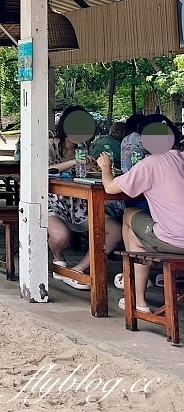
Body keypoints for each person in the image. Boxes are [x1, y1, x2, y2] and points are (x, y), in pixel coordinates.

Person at [95, 128, 184, 313]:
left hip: (176, 240)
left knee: (129, 216)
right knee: (135, 233)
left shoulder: (151, 163)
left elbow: (110, 188)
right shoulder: (181, 157)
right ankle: (135, 292)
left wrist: (105, 167)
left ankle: (137, 298)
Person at [47, 106, 124, 289]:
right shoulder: (49, 145)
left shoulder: (84, 148)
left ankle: (78, 271)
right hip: (51, 203)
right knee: (60, 237)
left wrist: (91, 168)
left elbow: (85, 173)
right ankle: (59, 259)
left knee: (116, 230)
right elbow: (45, 171)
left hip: (80, 204)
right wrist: (75, 161)